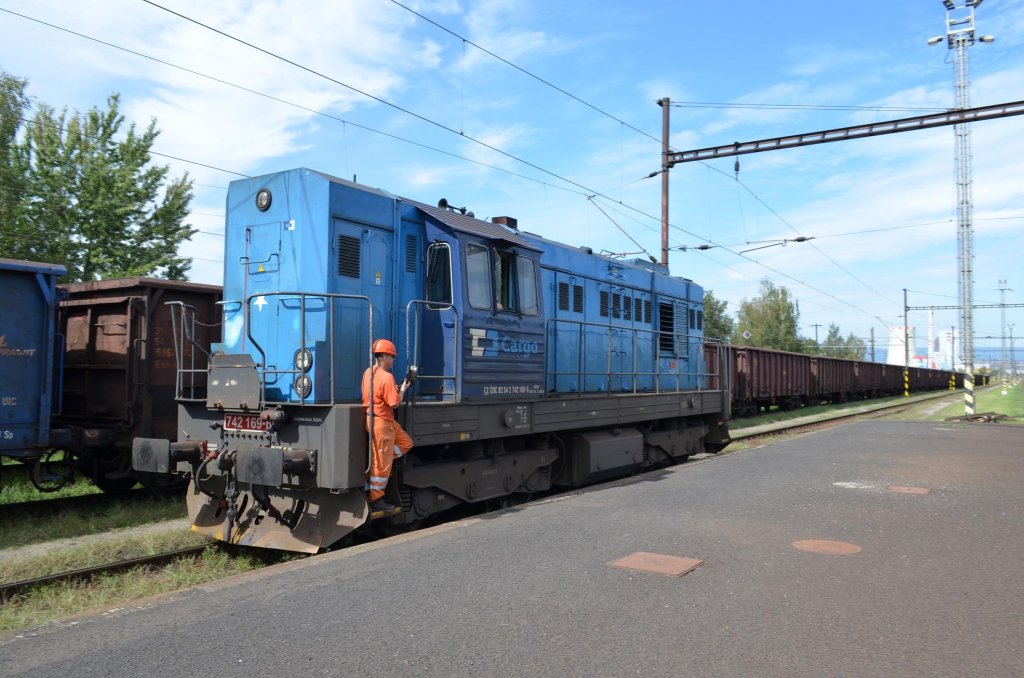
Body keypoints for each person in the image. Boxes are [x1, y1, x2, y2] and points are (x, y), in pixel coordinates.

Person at [361, 338, 413, 512]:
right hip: (382, 423)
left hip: (379, 420)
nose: (393, 360)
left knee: (406, 442)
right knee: (381, 465)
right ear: (383, 357)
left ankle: (387, 455)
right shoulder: (387, 377)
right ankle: (376, 499)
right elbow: (394, 403)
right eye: (391, 357)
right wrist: (403, 390)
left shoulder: (368, 372)